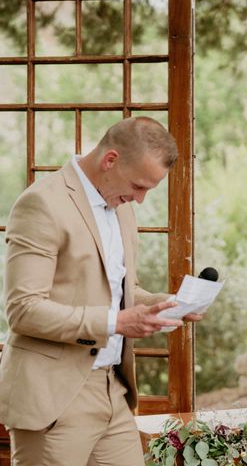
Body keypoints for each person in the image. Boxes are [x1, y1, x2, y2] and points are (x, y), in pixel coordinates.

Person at [0, 117, 202, 465]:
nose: (139, 200)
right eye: (139, 186)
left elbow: (122, 290)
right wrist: (116, 323)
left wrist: (162, 305)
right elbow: (23, 310)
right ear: (110, 160)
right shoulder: (42, 204)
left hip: (113, 392)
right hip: (54, 399)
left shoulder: (121, 208)